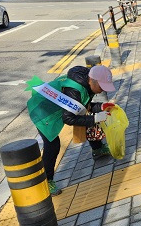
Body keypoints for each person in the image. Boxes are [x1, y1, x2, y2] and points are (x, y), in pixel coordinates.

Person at [27, 65, 117, 195]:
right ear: (92, 80)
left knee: (90, 118)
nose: (102, 90)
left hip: (58, 108)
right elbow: (69, 118)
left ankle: (97, 149)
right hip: (43, 111)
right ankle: (46, 181)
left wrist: (102, 106)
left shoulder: (87, 82)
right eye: (101, 87)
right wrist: (96, 118)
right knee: (52, 145)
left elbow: (83, 106)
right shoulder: (74, 90)